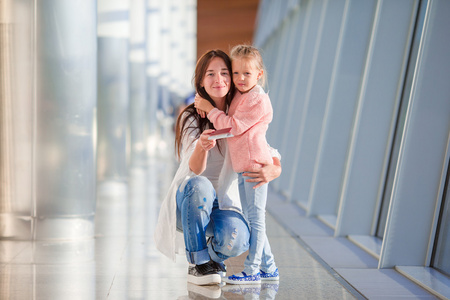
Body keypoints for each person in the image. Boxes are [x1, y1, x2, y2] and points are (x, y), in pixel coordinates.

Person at [154, 49, 282, 286]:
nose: (219, 79)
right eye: (211, 74)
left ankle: (212, 258)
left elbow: (262, 145)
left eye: (225, 73)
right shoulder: (193, 116)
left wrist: (275, 168)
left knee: (240, 238)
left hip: (223, 206)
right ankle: (199, 263)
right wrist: (202, 146)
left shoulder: (239, 110)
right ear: (201, 81)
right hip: (190, 205)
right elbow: (195, 170)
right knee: (200, 185)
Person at [194, 45, 279, 284]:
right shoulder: (242, 96)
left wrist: (210, 110)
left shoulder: (258, 99)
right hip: (246, 167)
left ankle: (252, 271)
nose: (240, 79)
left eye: (247, 74)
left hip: (255, 167)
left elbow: (233, 127)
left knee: (256, 220)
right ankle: (269, 267)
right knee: (254, 219)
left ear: (259, 75)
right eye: (236, 73)